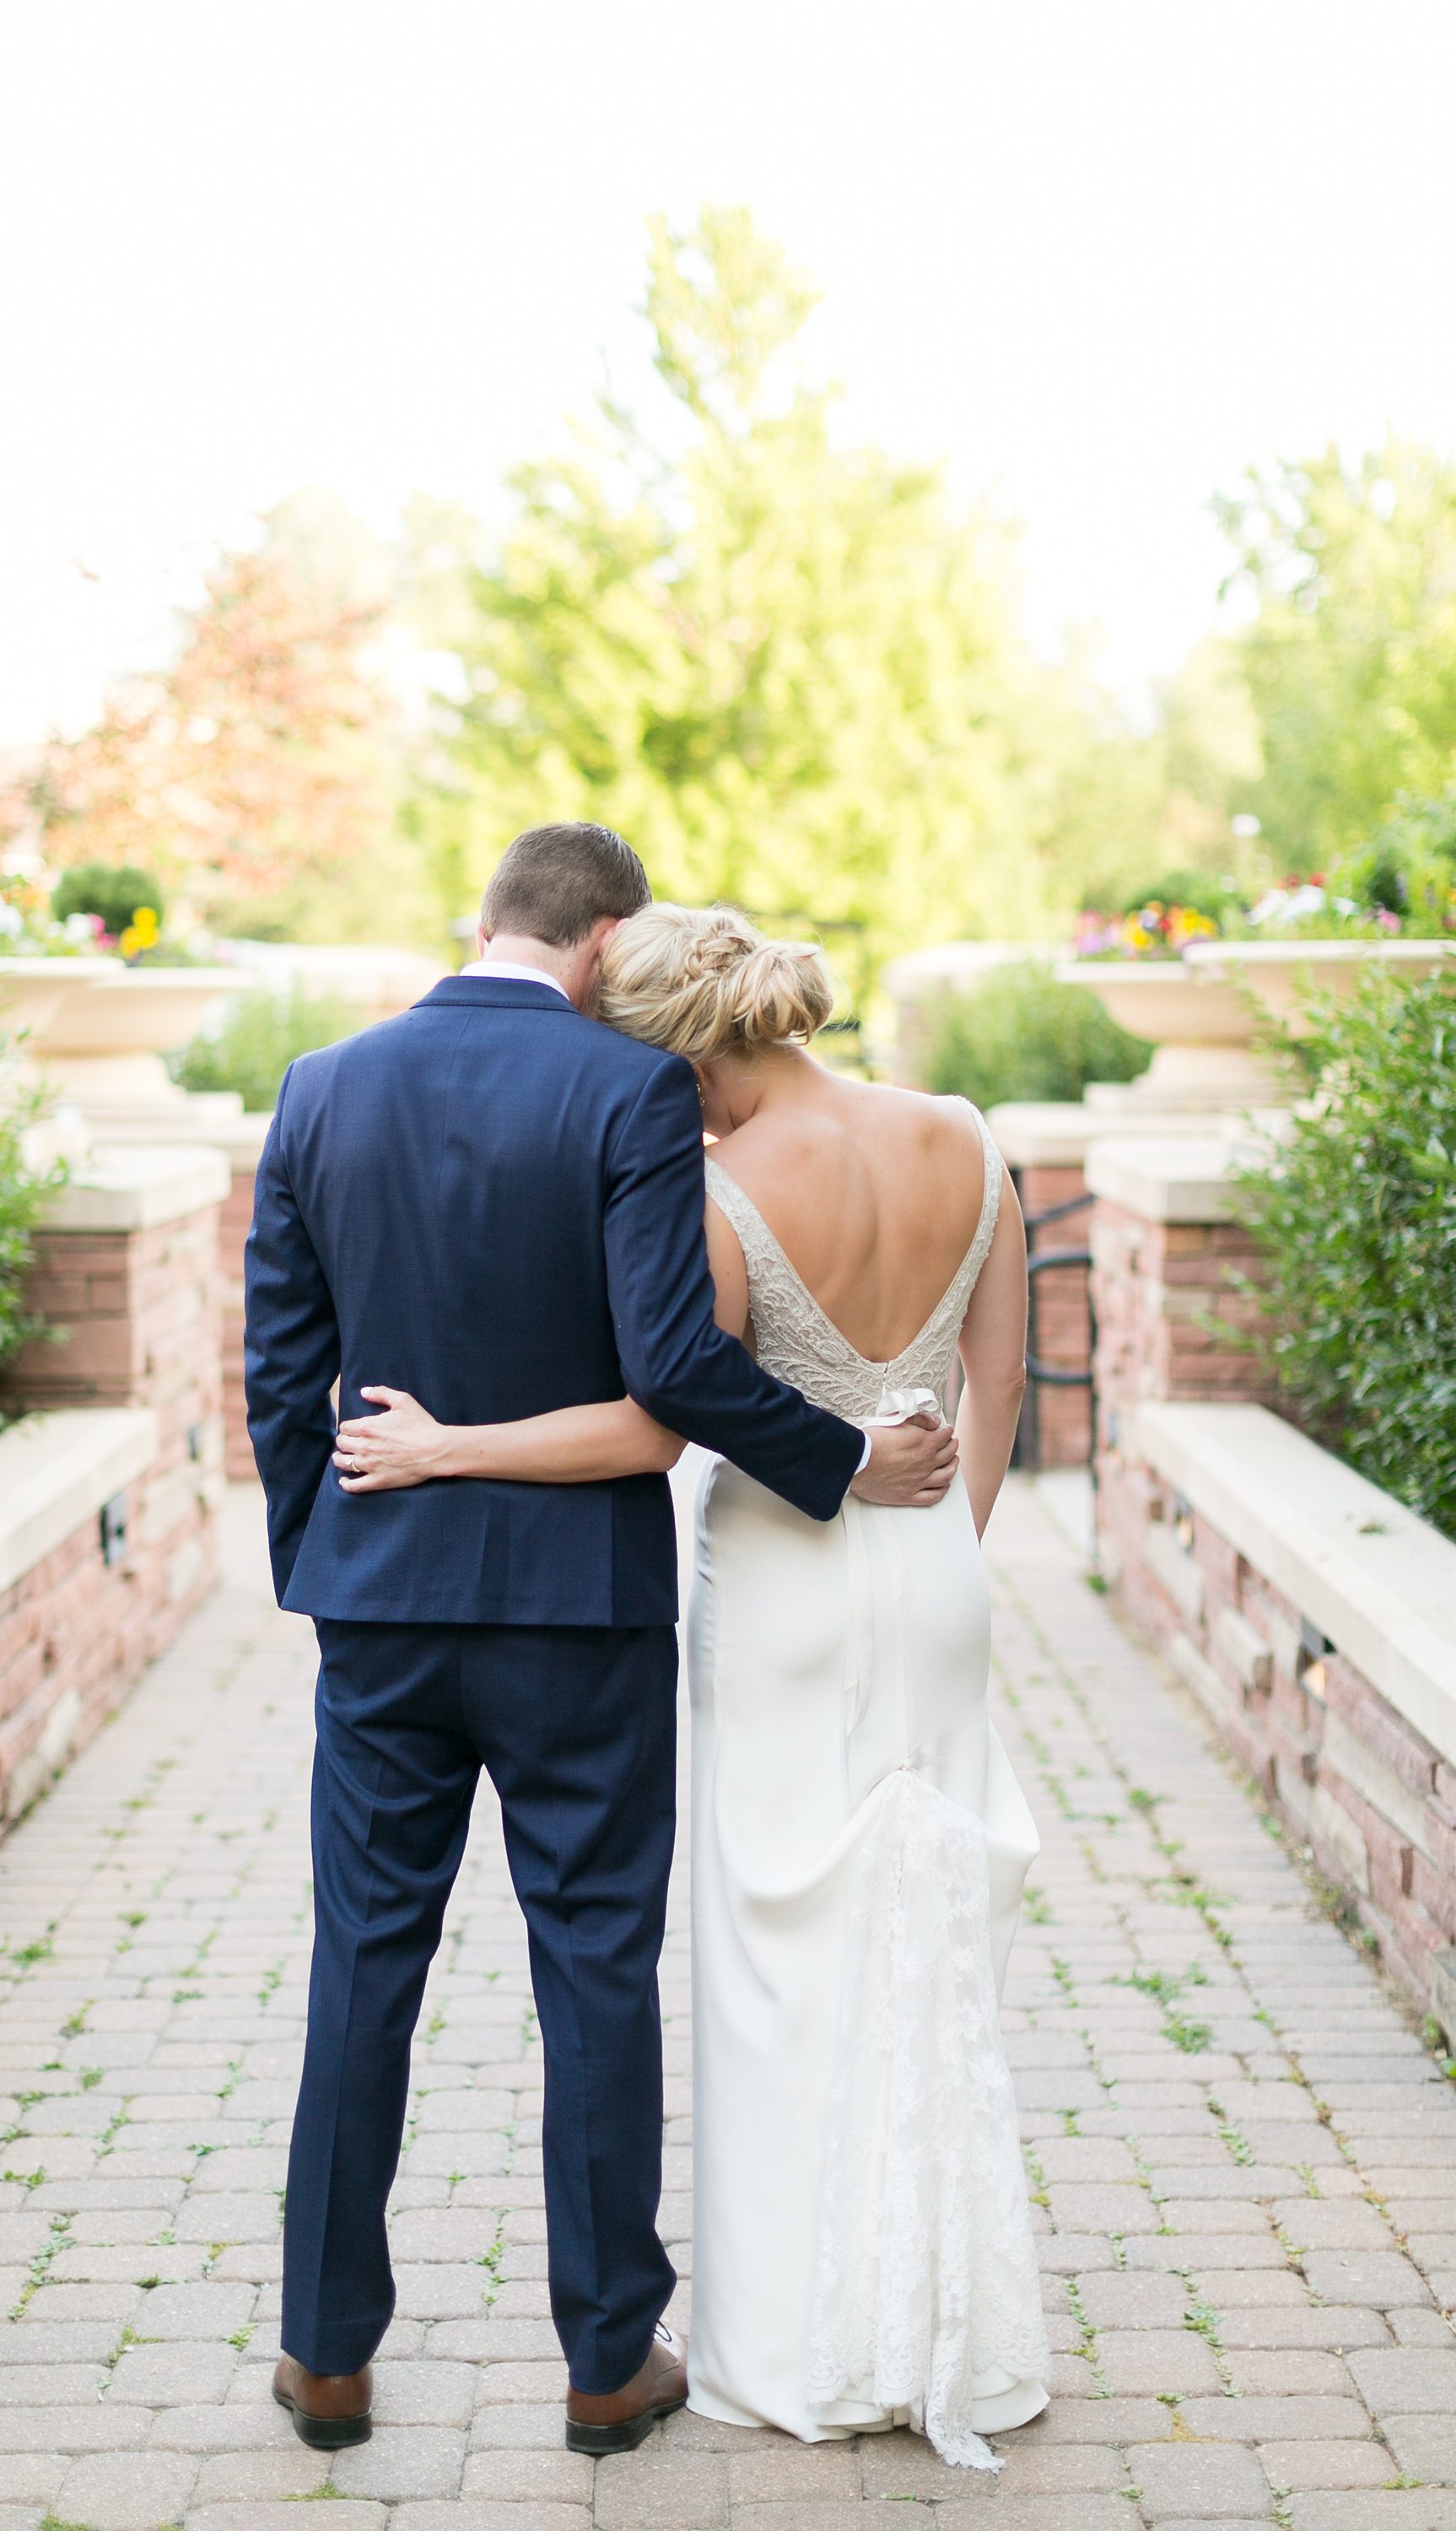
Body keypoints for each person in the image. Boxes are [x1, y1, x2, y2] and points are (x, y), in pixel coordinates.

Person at [243, 828, 959, 2456]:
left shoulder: (320, 1088)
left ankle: (329, 2356)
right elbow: (675, 1370)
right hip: (582, 1615)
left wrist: (329, 1559)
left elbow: (280, 1376)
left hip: (384, 1609)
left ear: (487, 918)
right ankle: (602, 2360)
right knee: (593, 1976)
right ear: (609, 934)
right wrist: (845, 1463)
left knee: (362, 1967)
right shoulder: (625, 1095)